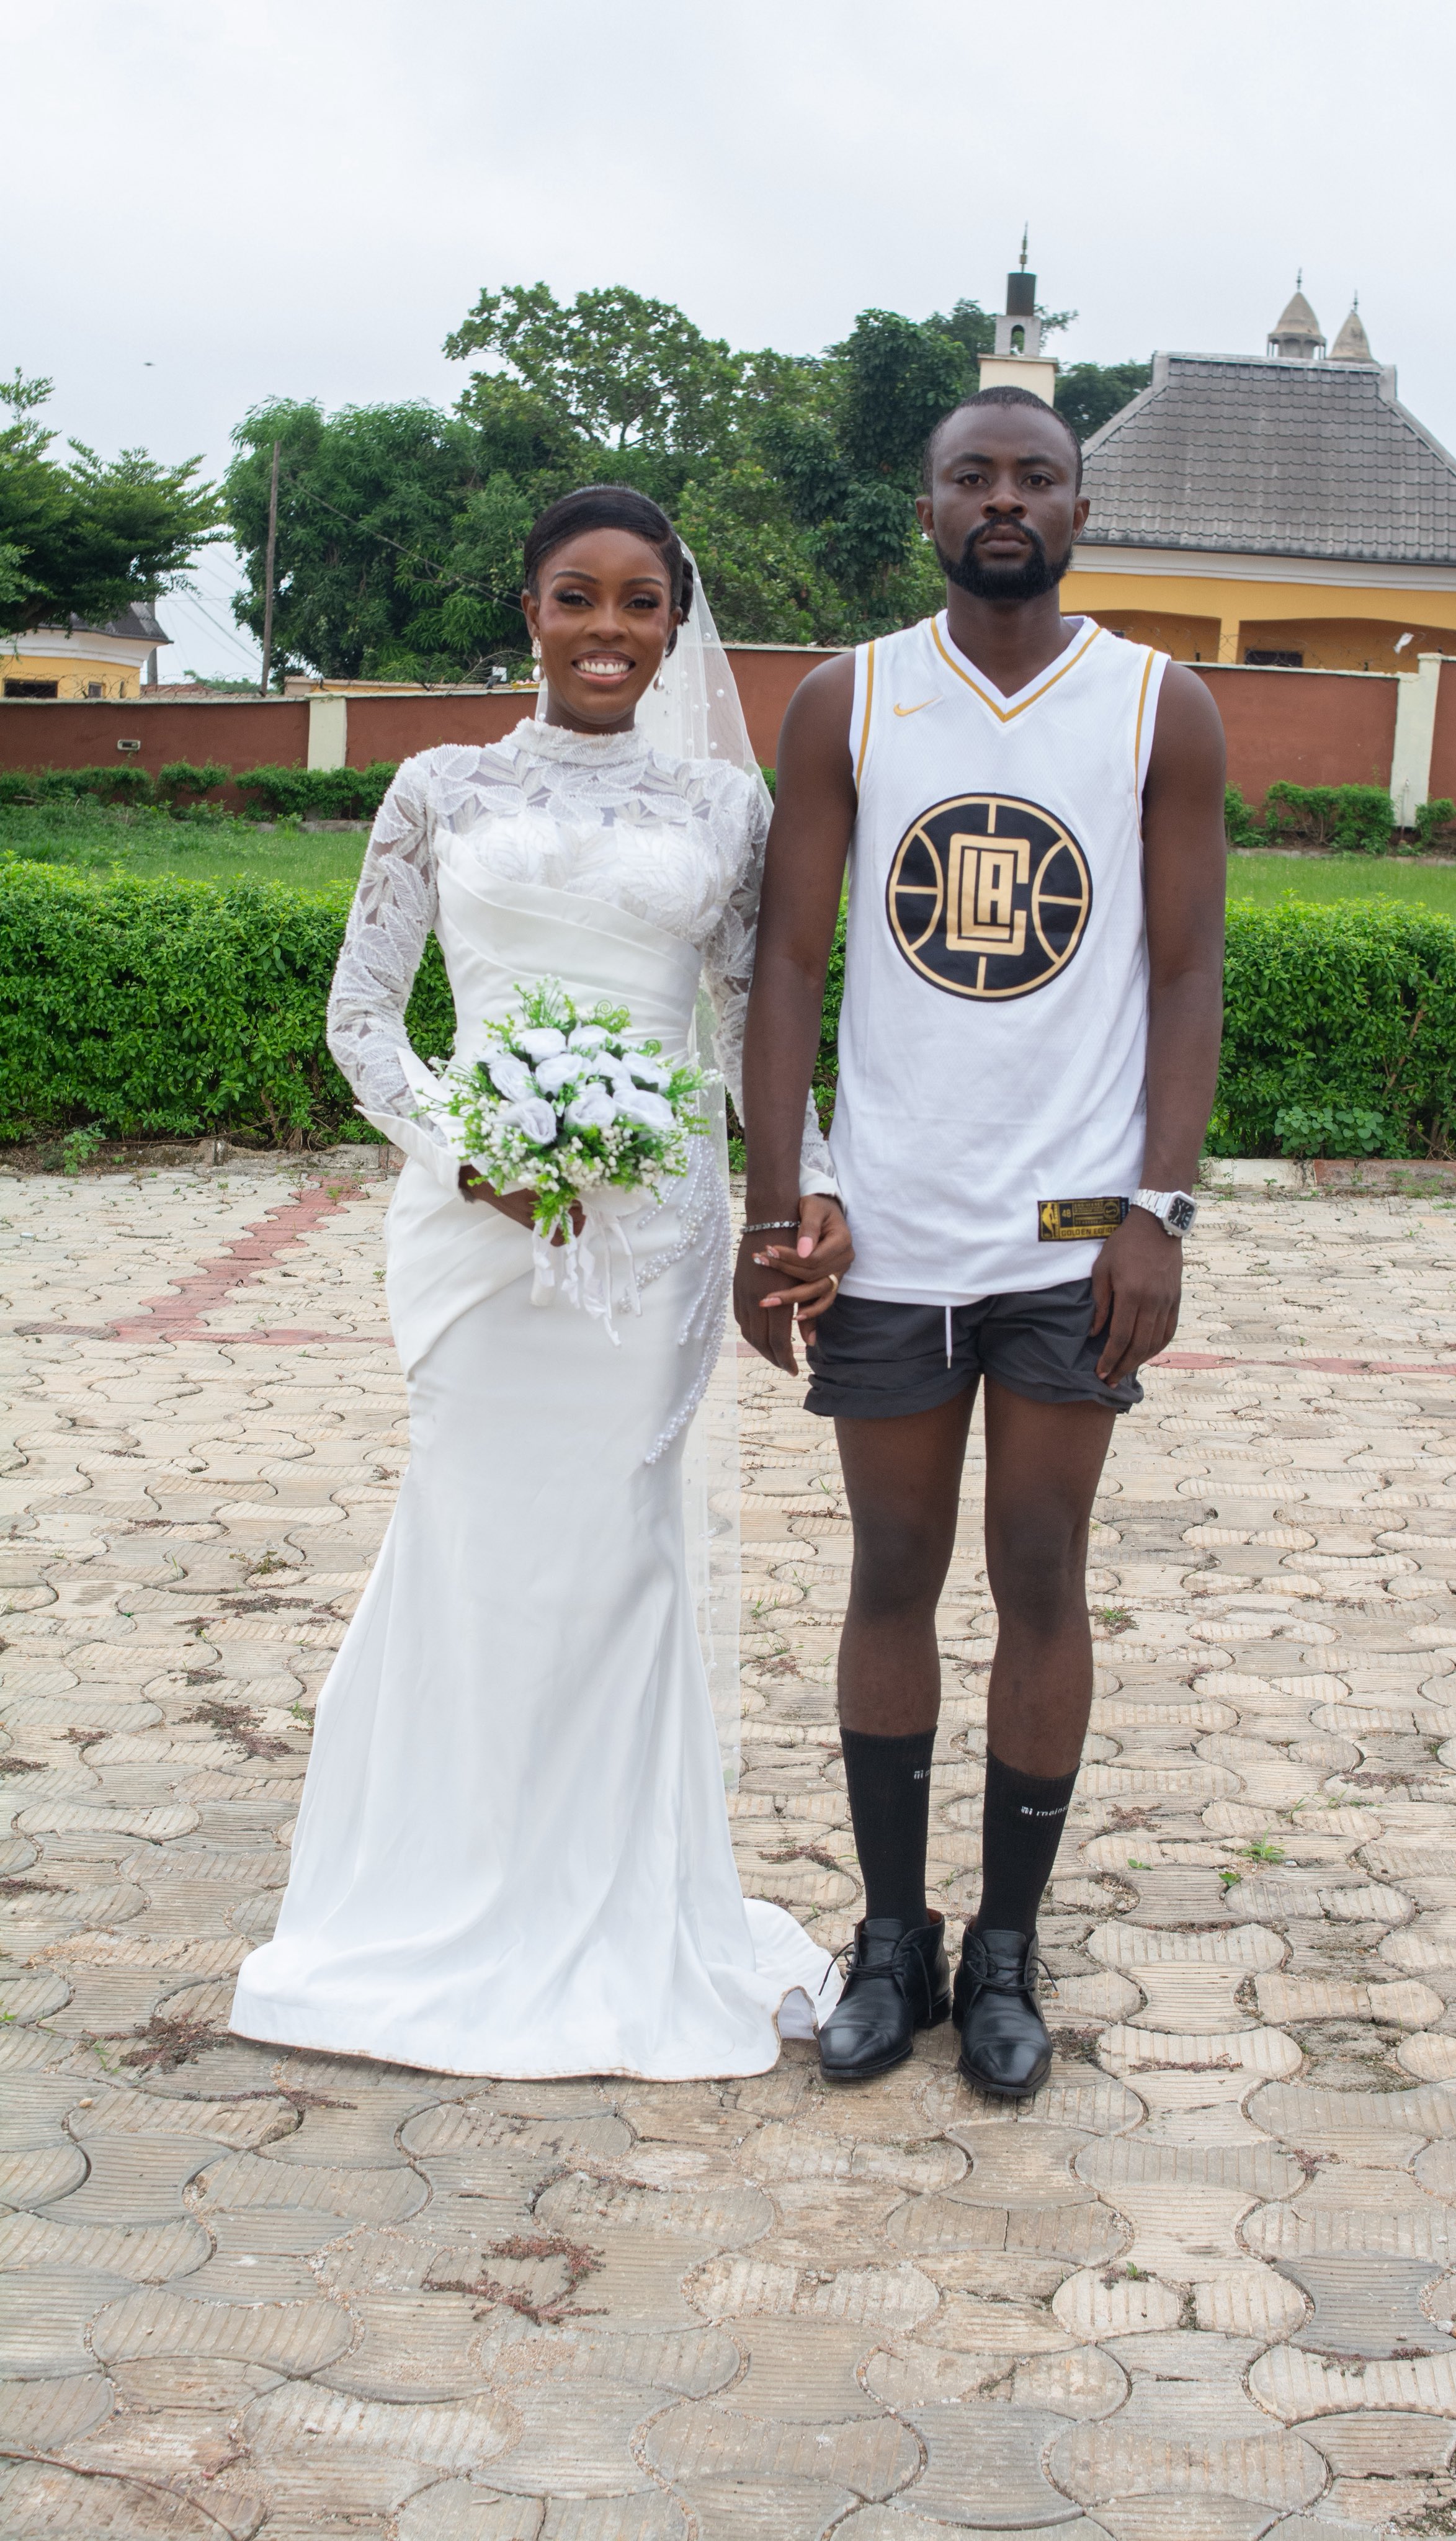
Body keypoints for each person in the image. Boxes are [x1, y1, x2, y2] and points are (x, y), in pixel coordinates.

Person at [232, 486, 852, 2081]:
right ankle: (434, 1884)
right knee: (470, 1526)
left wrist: (813, 1189)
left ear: (673, 624)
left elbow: (747, 1030)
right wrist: (467, 1148)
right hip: (472, 1226)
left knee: (611, 1547)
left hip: (647, 1242)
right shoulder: (440, 788)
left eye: (641, 602)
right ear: (529, 609)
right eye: (577, 597)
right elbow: (365, 1013)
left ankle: (615, 1906)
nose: (608, 630)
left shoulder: (728, 808)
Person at [736, 386, 1226, 2098]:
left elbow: (1181, 973)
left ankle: (1007, 1945)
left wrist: (1158, 1211)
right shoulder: (845, 699)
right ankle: (894, 1937)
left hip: (1071, 1227)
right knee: (889, 1572)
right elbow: (789, 965)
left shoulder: (1158, 706)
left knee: (1037, 1571)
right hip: (886, 1225)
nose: (1003, 498)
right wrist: (768, 1199)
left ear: (1080, 507)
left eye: (1034, 475)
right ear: (925, 506)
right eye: (971, 475)